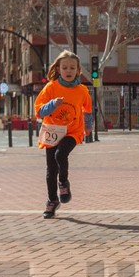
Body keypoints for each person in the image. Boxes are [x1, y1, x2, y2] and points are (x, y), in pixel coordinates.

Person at [34, 51, 93, 218]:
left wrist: (88, 126)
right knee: (51, 169)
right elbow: (39, 110)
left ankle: (63, 182)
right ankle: (52, 201)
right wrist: (52, 104)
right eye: (65, 67)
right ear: (58, 69)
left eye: (72, 68)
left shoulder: (81, 90)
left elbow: (87, 109)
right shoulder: (51, 88)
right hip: (52, 131)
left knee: (61, 154)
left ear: (78, 70)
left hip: (73, 131)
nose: (69, 70)